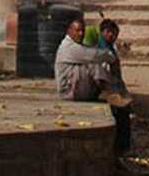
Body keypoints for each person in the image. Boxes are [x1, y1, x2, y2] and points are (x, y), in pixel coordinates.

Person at [54, 17, 132, 154]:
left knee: (122, 112)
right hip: (69, 91)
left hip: (78, 87)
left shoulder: (81, 46)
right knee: (93, 64)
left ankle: (114, 93)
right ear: (69, 31)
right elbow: (93, 55)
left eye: (82, 31)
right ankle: (112, 93)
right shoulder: (69, 48)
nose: (80, 34)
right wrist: (111, 57)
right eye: (77, 31)